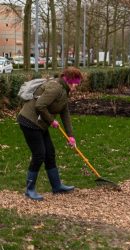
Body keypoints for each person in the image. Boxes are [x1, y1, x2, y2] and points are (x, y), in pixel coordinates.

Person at [17, 66, 83, 201]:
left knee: (50, 152)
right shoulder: (56, 88)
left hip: (40, 123)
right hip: (29, 121)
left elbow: (65, 113)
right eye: (77, 83)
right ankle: (29, 190)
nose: (77, 86)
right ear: (70, 80)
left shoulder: (64, 90)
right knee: (39, 154)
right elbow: (39, 105)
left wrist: (71, 136)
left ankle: (56, 186)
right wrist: (52, 121)